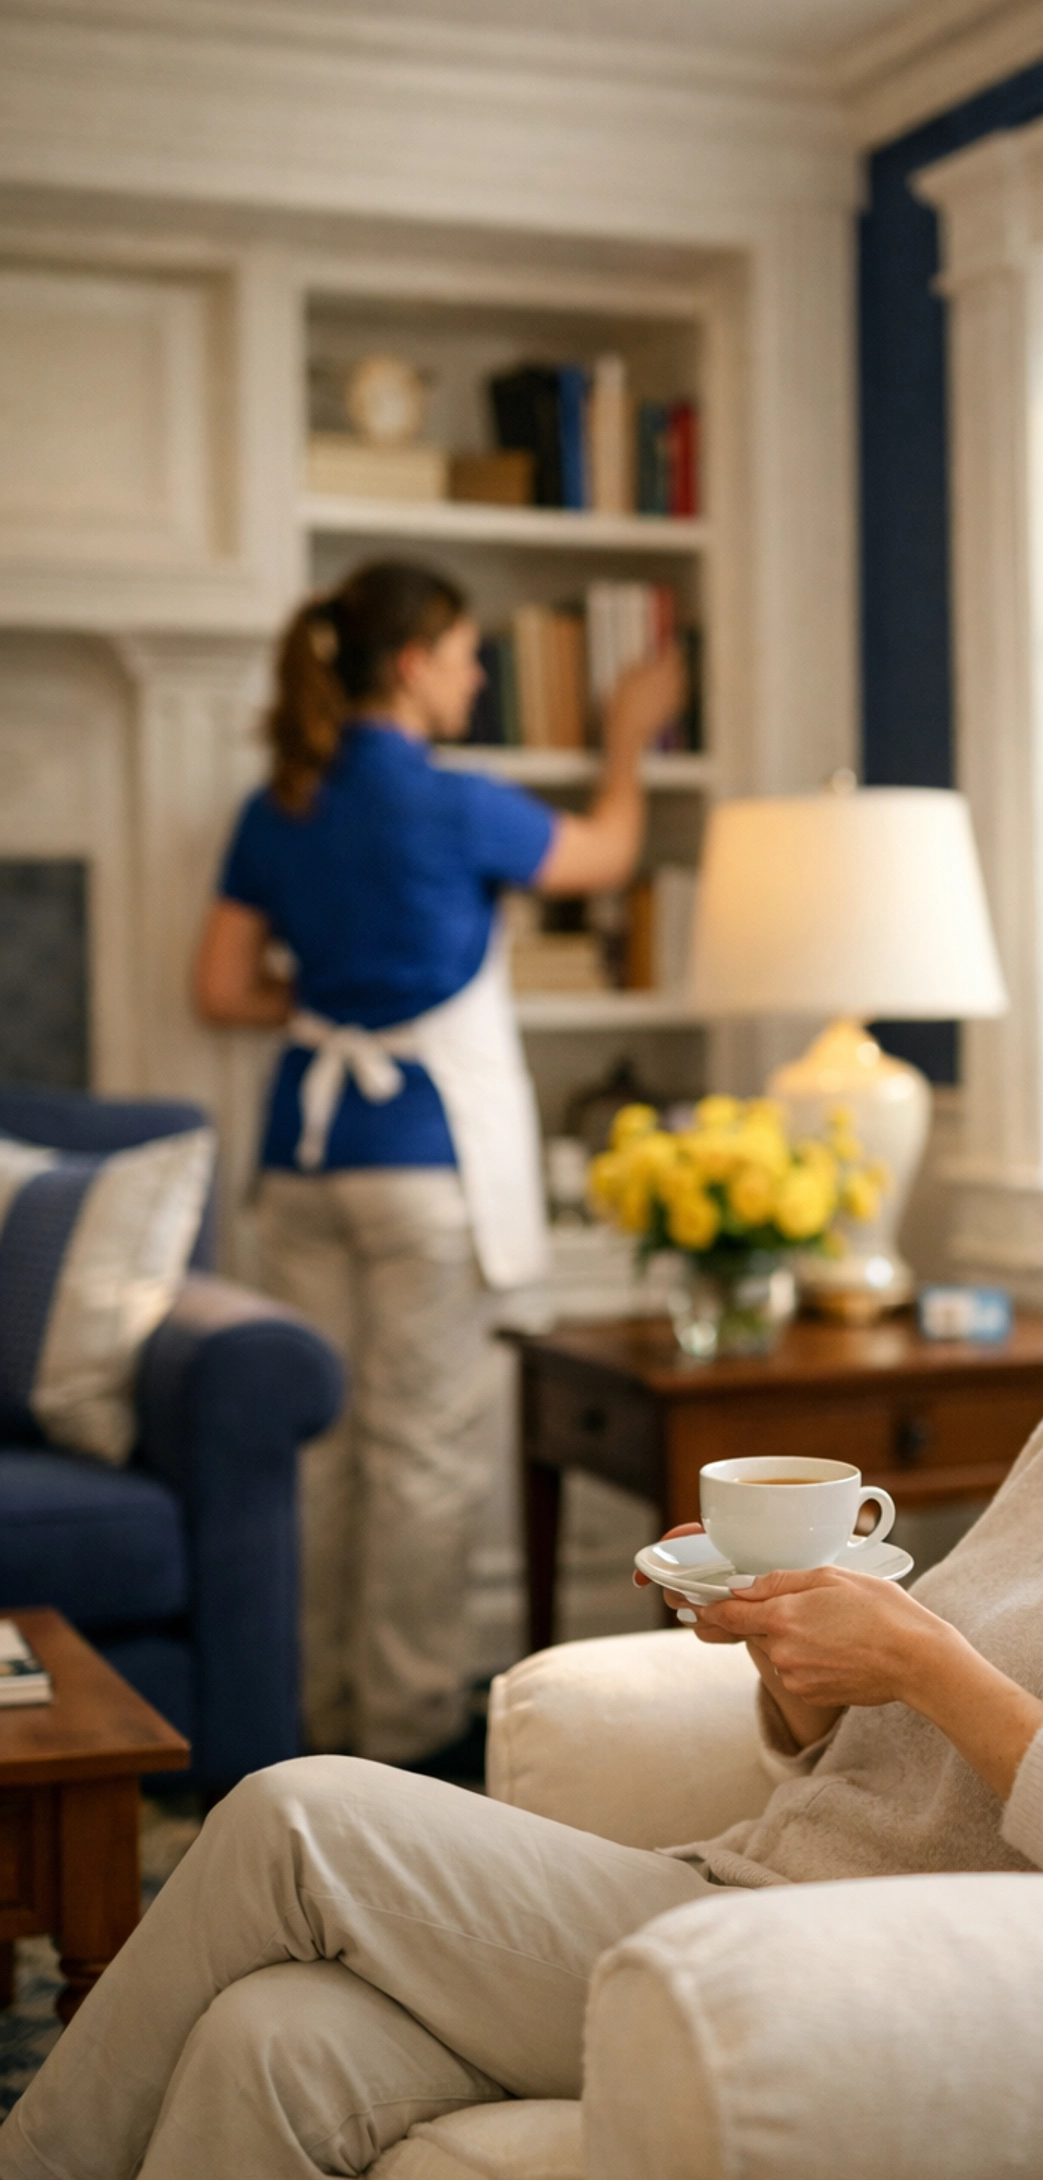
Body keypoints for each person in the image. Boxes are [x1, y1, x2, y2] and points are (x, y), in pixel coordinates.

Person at [0, 942, 1043, 2180]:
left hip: (857, 1974)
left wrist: (924, 1662)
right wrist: (807, 1665)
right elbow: (887, 1743)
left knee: (287, 1814)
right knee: (282, 2048)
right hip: (750, 1887)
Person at [191, 560, 684, 1770]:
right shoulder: (460, 803)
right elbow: (609, 854)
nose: (475, 677)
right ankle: (404, 1741)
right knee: (418, 1458)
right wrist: (625, 738)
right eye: (467, 655)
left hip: (301, 1166)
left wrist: (330, 1010)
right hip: (421, 1168)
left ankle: (313, 1730)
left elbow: (215, 986)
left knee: (322, 1450)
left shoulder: (279, 805)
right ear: (412, 667)